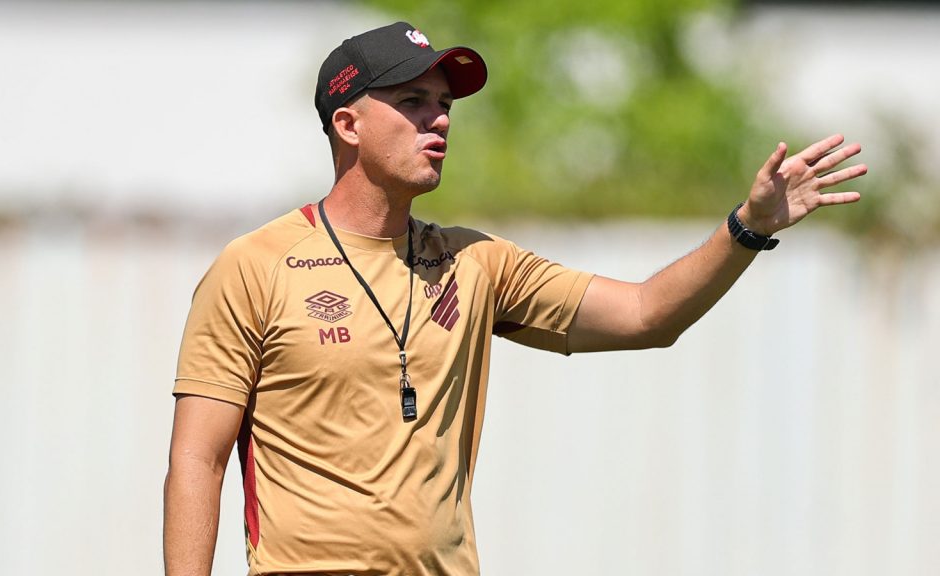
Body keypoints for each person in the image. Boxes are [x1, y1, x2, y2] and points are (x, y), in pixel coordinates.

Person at [163, 21, 866, 576]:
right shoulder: (254, 266)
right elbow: (199, 460)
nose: (439, 120)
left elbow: (649, 314)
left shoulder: (477, 261)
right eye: (412, 102)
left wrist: (748, 227)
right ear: (347, 125)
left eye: (444, 104)